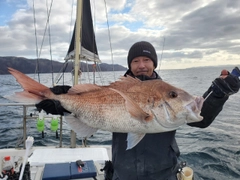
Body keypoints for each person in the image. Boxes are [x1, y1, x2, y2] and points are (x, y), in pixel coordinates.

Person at [36, 41, 240, 180]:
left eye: (146, 60)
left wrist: (219, 94)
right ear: (130, 65)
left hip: (164, 174)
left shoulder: (167, 90)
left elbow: (201, 119)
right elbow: (92, 107)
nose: (141, 65)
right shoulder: (115, 89)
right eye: (136, 61)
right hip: (122, 174)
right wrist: (62, 104)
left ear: (154, 63)